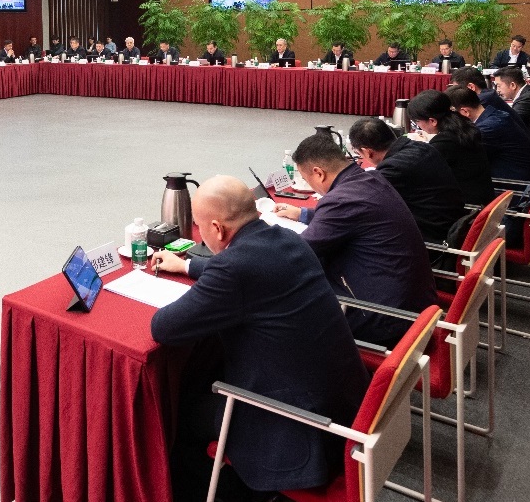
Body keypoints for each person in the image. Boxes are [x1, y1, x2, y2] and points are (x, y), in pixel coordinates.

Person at [151, 175, 369, 502]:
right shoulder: (288, 239)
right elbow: (251, 268)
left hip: (299, 427)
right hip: (343, 406)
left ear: (217, 229)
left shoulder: (234, 269)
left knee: (178, 415)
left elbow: (164, 328)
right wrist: (189, 266)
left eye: (199, 225)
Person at [273, 133, 436, 346]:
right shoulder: (370, 179)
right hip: (415, 303)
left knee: (285, 293)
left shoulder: (342, 199)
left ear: (319, 173)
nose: (309, 185)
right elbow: (351, 217)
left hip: (385, 318)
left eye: (306, 179)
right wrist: (303, 214)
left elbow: (300, 251)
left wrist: (264, 236)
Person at [348, 118, 467, 243]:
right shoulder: (422, 146)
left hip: (433, 238)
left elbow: (362, 200)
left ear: (368, 152)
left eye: (359, 153)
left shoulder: (393, 167)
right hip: (450, 221)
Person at [406, 90, 494, 206]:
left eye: (417, 121)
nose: (418, 126)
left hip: (467, 207)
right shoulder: (464, 125)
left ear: (432, 121)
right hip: (481, 198)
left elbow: (419, 171)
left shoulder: (445, 142)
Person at [447, 87, 530, 183]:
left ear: (465, 112)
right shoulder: (495, 115)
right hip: (520, 176)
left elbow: (465, 161)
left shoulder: (487, 128)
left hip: (514, 185)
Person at [450, 66, 526, 130]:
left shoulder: (483, 101)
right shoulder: (488, 95)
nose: (455, 92)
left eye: (457, 89)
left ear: (471, 87)